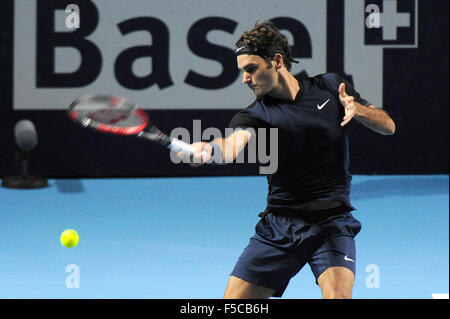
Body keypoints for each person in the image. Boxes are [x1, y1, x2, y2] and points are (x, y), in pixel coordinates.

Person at [187, 21, 395, 299]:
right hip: (281, 226)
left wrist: (357, 109)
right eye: (242, 72)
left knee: (339, 297)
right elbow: (232, 145)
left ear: (277, 61)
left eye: (251, 69)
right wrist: (211, 150)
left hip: (332, 223)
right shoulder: (254, 115)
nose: (244, 79)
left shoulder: (331, 87)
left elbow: (388, 126)